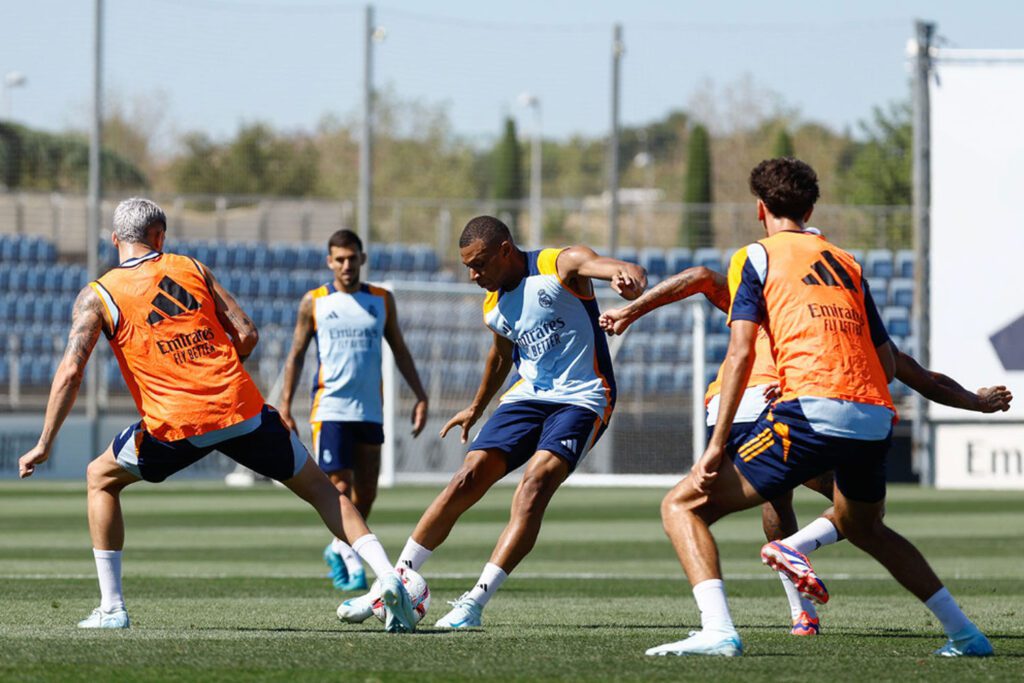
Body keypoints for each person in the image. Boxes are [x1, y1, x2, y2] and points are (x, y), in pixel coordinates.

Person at [641, 158, 992, 657]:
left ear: (760, 209)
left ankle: (718, 631)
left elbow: (741, 352)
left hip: (810, 407)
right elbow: (888, 361)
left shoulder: (755, 256)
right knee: (865, 527)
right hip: (873, 413)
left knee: (681, 506)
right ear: (810, 208)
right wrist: (968, 400)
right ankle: (966, 635)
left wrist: (715, 448)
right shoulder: (847, 262)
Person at [17, 198, 419, 633]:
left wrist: (44, 443)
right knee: (323, 490)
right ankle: (387, 577)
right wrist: (216, 366)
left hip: (175, 425)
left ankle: (112, 608)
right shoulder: (190, 267)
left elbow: (72, 371)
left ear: (115, 240)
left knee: (100, 477)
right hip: (241, 407)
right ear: (160, 237)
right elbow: (246, 333)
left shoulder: (98, 295)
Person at [601, 264, 1013, 637]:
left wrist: (629, 312)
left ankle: (799, 613)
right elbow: (915, 373)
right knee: (859, 514)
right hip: (787, 406)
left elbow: (699, 276)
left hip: (730, 406)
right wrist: (975, 402)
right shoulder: (831, 315)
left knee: (767, 502)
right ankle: (788, 564)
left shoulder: (762, 291)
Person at [336, 215, 647, 628]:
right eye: (467, 265)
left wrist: (629, 279)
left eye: (479, 264)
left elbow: (618, 268)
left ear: (504, 251)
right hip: (528, 396)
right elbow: (501, 357)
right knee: (467, 476)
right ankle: (390, 583)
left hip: (582, 398)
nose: (472, 275)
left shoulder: (560, 264)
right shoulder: (493, 303)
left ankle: (474, 603)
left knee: (533, 486)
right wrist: (477, 407)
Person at [278, 229, 429, 592]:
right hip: (330, 408)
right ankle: (350, 556)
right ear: (330, 262)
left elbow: (400, 349)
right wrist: (284, 404)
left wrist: (420, 395)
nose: (346, 265)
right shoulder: (314, 302)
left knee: (368, 492)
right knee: (339, 487)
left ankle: (337, 543)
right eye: (339, 259)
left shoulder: (381, 300)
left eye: (352, 258)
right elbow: (296, 354)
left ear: (362, 258)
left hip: (370, 410)